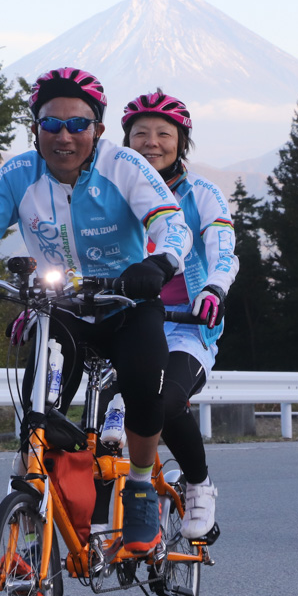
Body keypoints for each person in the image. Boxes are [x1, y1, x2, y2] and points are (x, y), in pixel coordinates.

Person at [0, 67, 193, 555]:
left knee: (143, 389)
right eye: (51, 125)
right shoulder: (18, 173)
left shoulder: (125, 165)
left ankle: (140, 485)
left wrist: (159, 262)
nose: (63, 136)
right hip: (59, 307)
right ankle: (34, 514)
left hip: (126, 303)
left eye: (77, 125)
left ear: (99, 130)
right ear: (35, 130)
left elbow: (170, 221)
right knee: (38, 412)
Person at [115, 89, 239, 540]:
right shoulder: (112, 190)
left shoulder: (202, 193)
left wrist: (213, 289)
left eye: (163, 133)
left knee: (164, 403)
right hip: (126, 319)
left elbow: (223, 246)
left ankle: (200, 485)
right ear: (124, 140)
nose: (151, 141)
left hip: (187, 326)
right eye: (140, 133)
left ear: (181, 142)